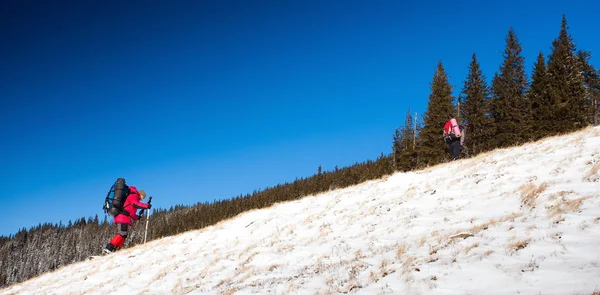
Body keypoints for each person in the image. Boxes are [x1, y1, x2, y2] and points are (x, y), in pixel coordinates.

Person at [103, 186, 151, 254]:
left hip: (125, 218)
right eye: (143, 197)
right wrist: (146, 206)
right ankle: (109, 248)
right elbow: (135, 204)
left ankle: (117, 249)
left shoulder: (134, 196)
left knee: (124, 235)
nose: (142, 199)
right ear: (141, 194)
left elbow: (131, 213)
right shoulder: (134, 195)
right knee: (122, 233)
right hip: (122, 217)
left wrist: (137, 217)